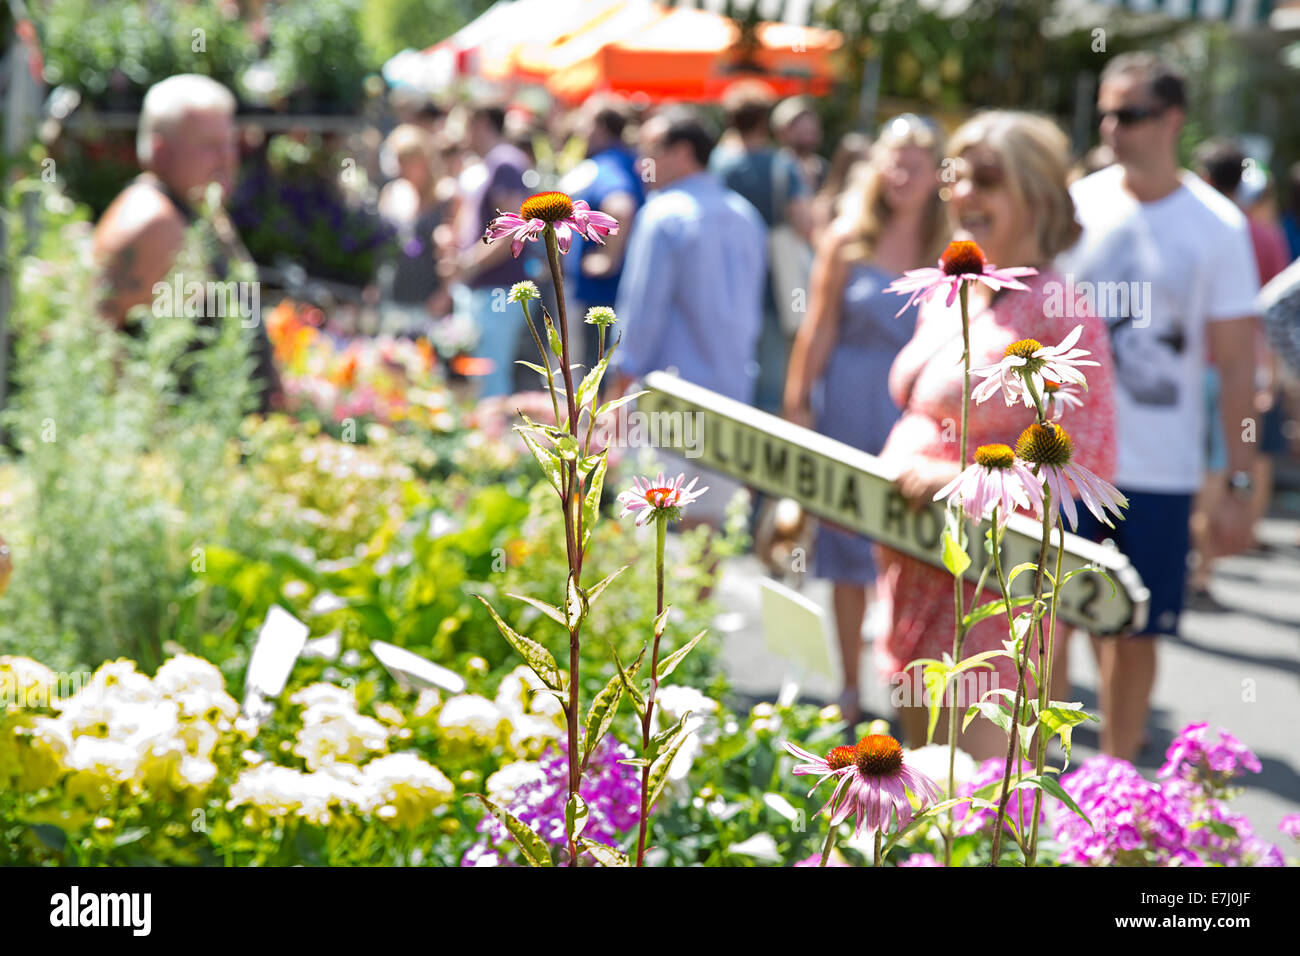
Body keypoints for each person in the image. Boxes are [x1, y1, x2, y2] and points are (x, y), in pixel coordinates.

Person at [877, 111, 1117, 760]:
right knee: (918, 797)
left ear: (1036, 195)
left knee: (977, 803)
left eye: (988, 179)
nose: (963, 194)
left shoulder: (1058, 310)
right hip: (917, 575)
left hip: (995, 595)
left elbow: (1084, 464)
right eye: (956, 176)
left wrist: (959, 481)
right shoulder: (952, 289)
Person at [1057, 53, 1258, 762]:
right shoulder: (1077, 203)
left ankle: (1115, 778)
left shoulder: (1216, 225)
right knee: (1048, 622)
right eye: (1106, 113)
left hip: (1159, 471)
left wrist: (1236, 482)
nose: (1113, 127)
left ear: (1172, 120)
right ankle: (1031, 790)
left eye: (1131, 114)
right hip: (1065, 461)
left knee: (1134, 630)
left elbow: (1237, 364)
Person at [782, 114, 948, 726]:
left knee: (914, 557)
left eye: (916, 163)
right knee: (847, 553)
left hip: (920, 422)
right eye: (893, 160)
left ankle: (909, 692)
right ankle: (849, 689)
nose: (902, 174)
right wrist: (797, 409)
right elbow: (816, 328)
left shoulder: (952, 247)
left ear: (936, 175)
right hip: (849, 407)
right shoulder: (848, 237)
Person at [609, 108, 767, 528]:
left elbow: (639, 317)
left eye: (651, 151)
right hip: (730, 397)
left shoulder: (663, 215)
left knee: (645, 534)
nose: (643, 163)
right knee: (707, 536)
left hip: (667, 400)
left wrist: (616, 395)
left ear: (682, 152)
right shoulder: (746, 215)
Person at [92, 73, 279, 411]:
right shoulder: (152, 223)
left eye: (230, 143)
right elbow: (98, 348)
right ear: (161, 151)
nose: (227, 159)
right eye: (209, 145)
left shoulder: (198, 209)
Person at [709, 82, 812, 414]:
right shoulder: (782, 165)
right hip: (772, 285)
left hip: (725, 281)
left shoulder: (718, 165)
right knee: (770, 382)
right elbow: (804, 222)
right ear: (765, 121)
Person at [443, 104, 530, 399]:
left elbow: (510, 229)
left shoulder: (505, 161)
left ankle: (493, 442)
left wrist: (466, 263)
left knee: (490, 379)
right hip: (486, 288)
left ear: (480, 122)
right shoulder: (494, 163)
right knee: (478, 374)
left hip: (498, 290)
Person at [559, 98, 643, 366]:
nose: (580, 129)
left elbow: (621, 207)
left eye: (586, 122)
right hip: (619, 292)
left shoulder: (608, 165)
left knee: (594, 376)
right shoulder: (631, 161)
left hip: (601, 297)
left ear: (601, 127)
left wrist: (607, 257)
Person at [377, 124, 452, 333]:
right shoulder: (392, 193)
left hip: (430, 301)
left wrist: (445, 294)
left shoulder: (445, 196)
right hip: (393, 294)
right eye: (398, 161)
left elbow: (453, 250)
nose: (401, 168)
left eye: (408, 161)